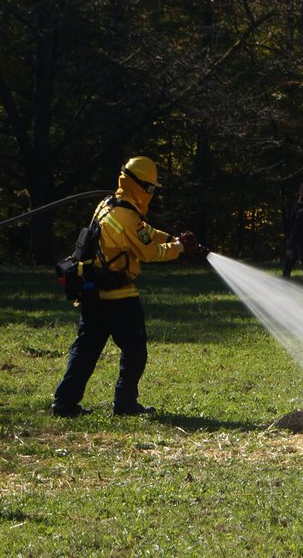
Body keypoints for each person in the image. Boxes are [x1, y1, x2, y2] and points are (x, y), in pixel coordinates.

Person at [51, 156, 202, 417]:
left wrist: (172, 238)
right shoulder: (124, 214)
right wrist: (177, 248)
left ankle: (64, 402)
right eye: (150, 187)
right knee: (135, 350)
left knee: (86, 349)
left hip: (93, 291)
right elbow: (147, 251)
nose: (151, 192)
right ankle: (125, 403)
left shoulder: (110, 205)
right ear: (137, 184)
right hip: (118, 293)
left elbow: (145, 231)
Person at [282, 183, 303, 279]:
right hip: (294, 236)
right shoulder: (294, 205)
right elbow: (290, 221)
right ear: (299, 192)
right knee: (289, 259)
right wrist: (289, 237)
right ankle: (285, 278)